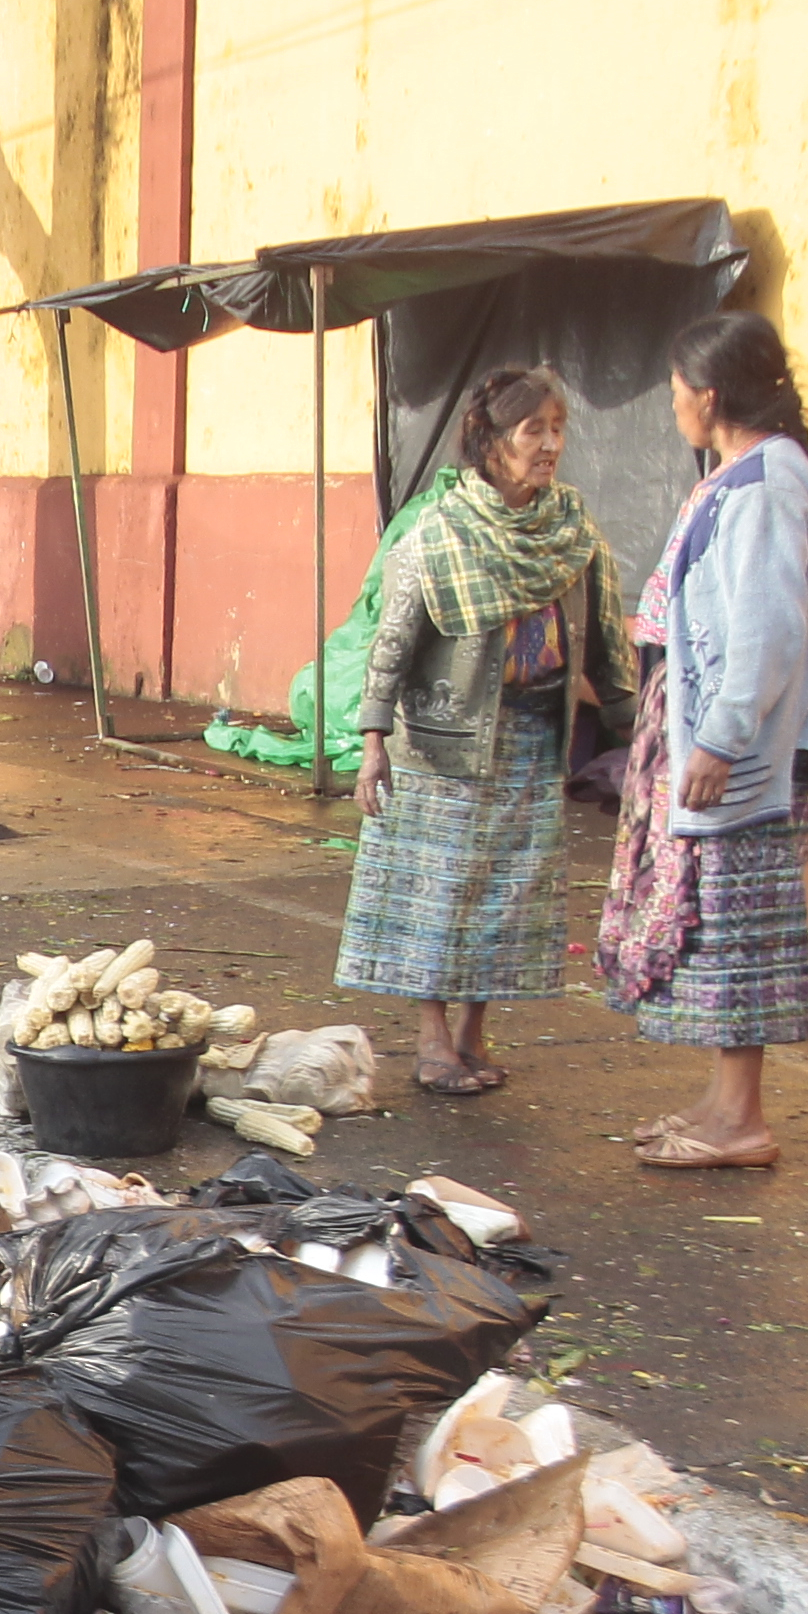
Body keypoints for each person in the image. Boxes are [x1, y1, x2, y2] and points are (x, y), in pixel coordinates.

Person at [335, 365, 631, 1097]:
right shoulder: (438, 535)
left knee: (506, 894)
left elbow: (608, 642)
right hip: (443, 747)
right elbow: (391, 645)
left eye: (558, 429)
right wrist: (374, 745)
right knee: (442, 894)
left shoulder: (570, 529)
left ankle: (472, 1035)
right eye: (535, 430)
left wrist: (637, 730)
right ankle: (432, 1043)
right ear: (492, 441)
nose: (551, 445)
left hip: (532, 739)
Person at [598, 309, 808, 1170]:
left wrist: (720, 740)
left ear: (708, 396)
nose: (672, 406)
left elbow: (769, 633)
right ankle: (720, 1102)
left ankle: (742, 1118)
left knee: (741, 930)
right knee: (714, 928)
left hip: (743, 755)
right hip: (715, 737)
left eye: (674, 391)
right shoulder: (743, 474)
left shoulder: (769, 486)